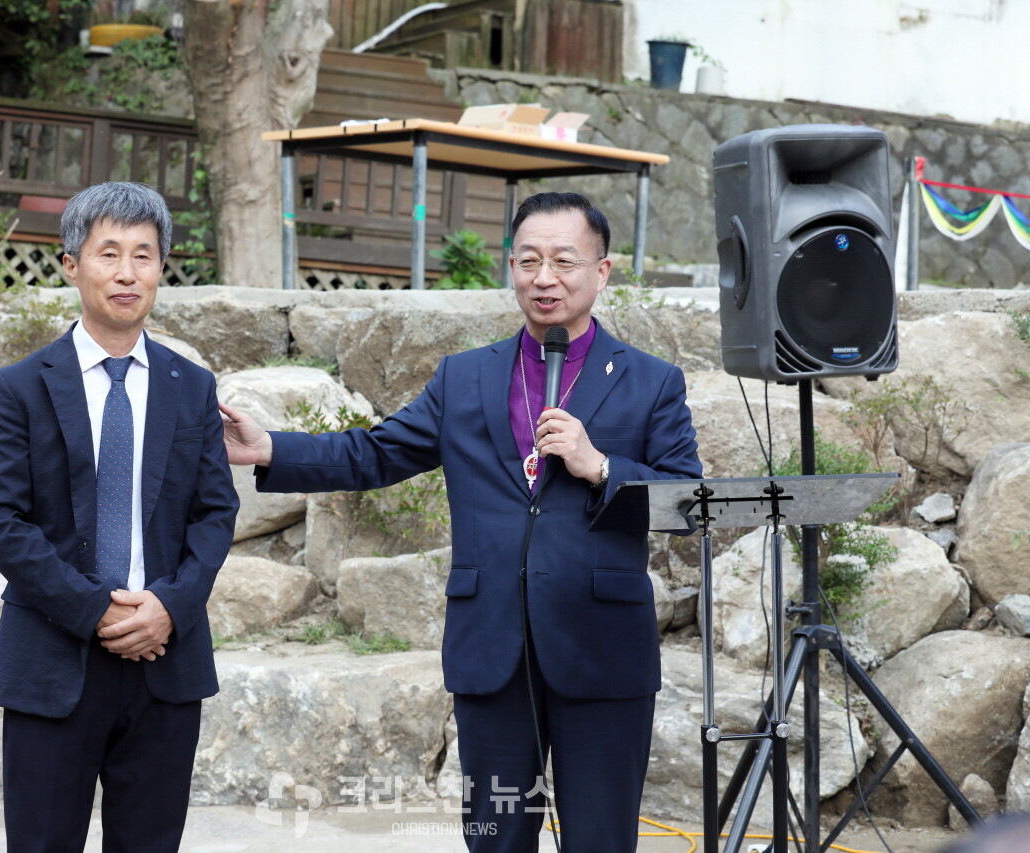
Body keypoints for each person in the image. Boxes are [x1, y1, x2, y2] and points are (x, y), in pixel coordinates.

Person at [220, 191, 701, 852]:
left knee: (600, 841)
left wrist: (601, 466)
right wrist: (272, 447)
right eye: (528, 260)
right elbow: (377, 451)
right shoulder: (465, 378)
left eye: (564, 260)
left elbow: (687, 502)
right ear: (510, 266)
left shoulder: (652, 381)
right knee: (495, 836)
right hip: (492, 646)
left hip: (602, 648)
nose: (544, 277)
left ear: (603, 270)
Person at [0, 181, 238, 852]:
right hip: (53, 659)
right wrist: (98, 609)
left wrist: (168, 608)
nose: (127, 273)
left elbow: (214, 512)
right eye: (108, 253)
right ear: (70, 264)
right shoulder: (21, 388)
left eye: (144, 255)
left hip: (164, 660)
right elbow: (1, 519)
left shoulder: (191, 385)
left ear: (162, 267)